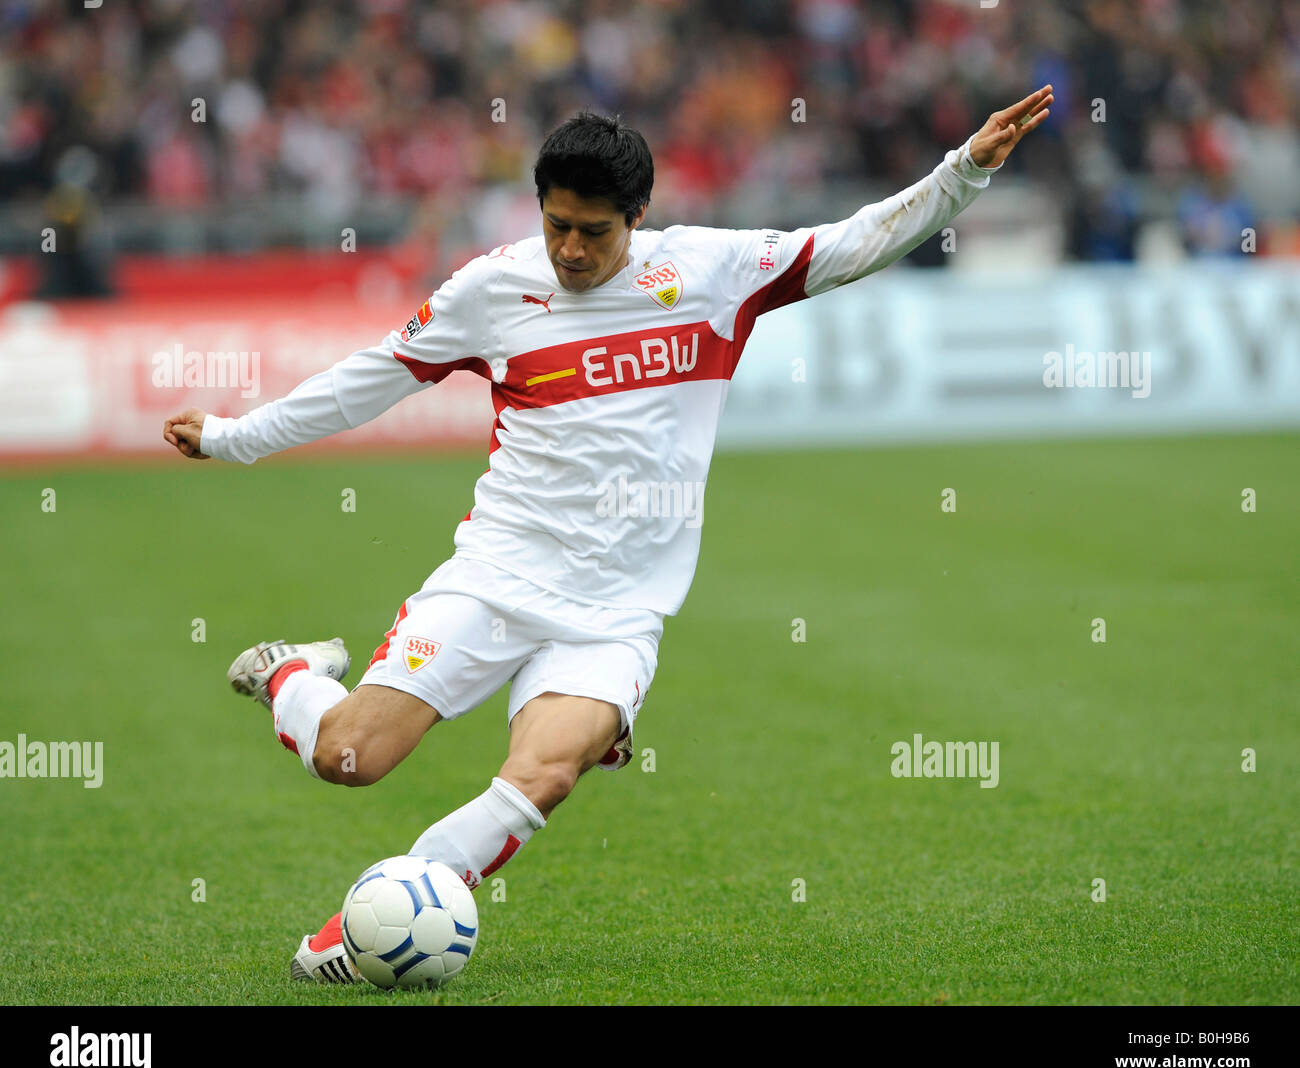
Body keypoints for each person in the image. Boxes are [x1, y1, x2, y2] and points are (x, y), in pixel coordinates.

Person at [163, 87, 1053, 984]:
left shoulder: (710, 272)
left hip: (618, 612)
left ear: (639, 217)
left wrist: (963, 171)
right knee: (349, 758)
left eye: (594, 231)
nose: (571, 250)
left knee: (543, 773)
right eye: (556, 225)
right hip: (496, 577)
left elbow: (858, 240)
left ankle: (367, 933)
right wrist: (237, 438)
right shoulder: (492, 289)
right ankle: (291, 675)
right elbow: (367, 380)